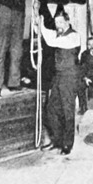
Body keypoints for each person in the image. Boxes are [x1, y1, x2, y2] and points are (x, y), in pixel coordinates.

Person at [37, 9, 81, 155]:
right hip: (58, 76)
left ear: (68, 22)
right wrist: (37, 17)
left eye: (61, 22)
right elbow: (43, 32)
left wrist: (41, 24)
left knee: (67, 110)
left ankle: (67, 144)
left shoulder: (74, 36)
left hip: (69, 76)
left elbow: (51, 41)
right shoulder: (58, 33)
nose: (58, 25)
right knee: (51, 109)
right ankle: (57, 141)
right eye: (56, 22)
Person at [77, 36, 93, 115]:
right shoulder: (84, 54)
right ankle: (83, 107)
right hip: (89, 78)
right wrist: (85, 78)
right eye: (89, 44)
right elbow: (82, 68)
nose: (91, 46)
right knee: (79, 84)